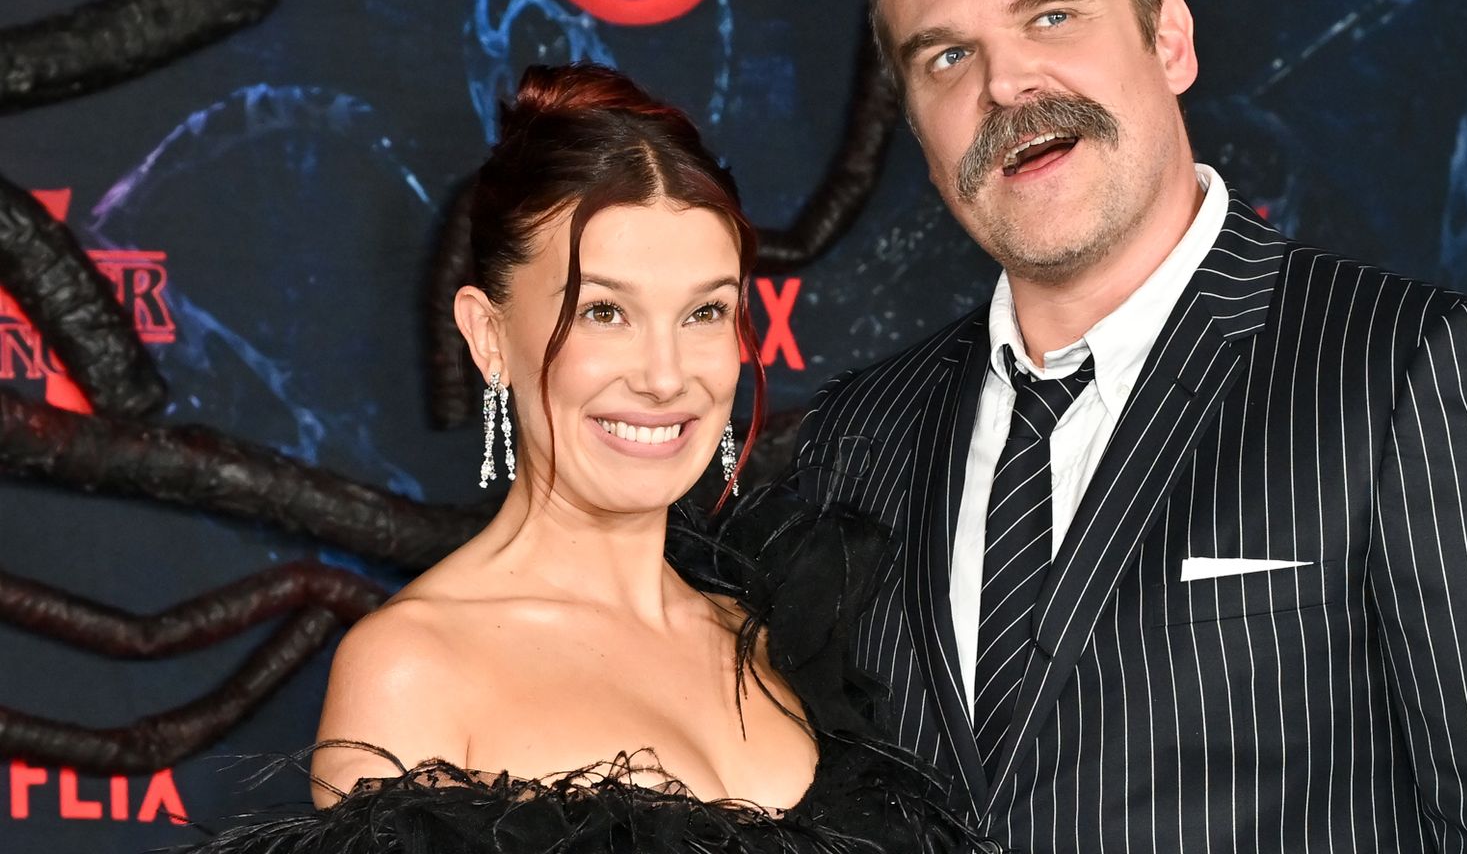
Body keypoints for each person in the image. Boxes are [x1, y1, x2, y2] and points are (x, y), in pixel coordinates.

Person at [787, 0, 1467, 851]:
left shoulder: (1418, 377)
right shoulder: (857, 437)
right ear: (917, 124)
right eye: (948, 55)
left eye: (1055, 15)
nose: (1006, 86)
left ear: (1170, 41)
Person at [189, 63, 992, 853]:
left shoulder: (783, 635)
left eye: (705, 312)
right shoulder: (414, 667)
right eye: (604, 311)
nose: (666, 375)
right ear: (487, 335)